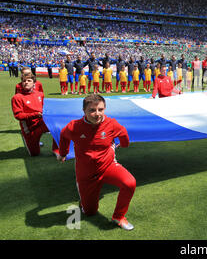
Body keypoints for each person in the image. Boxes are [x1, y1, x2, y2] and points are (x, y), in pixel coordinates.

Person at [56, 94, 136, 231]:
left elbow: (123, 133)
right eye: (92, 110)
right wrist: (63, 153)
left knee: (129, 182)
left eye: (100, 109)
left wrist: (123, 144)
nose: (97, 114)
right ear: (84, 111)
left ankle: (119, 216)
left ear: (105, 109)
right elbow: (63, 135)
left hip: (108, 166)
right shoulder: (74, 126)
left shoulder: (111, 124)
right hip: (86, 174)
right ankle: (85, 202)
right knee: (90, 212)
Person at [11, 73, 59, 156]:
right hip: (30, 128)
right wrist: (36, 114)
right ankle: (28, 141)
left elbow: (45, 108)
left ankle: (56, 150)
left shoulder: (40, 94)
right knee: (34, 154)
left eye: (29, 81)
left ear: (34, 83)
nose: (26, 82)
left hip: (42, 123)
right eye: (24, 81)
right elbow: (18, 116)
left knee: (57, 127)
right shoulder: (17, 97)